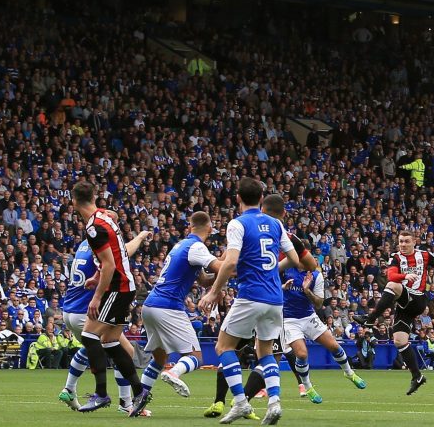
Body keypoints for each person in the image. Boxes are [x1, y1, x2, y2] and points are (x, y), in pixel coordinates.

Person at [197, 177, 301, 425]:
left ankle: (241, 403)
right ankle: (274, 402)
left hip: (251, 295)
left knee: (223, 347)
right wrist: (271, 271)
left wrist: (213, 291)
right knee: (265, 351)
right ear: (262, 199)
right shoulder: (276, 224)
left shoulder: (237, 223)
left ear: (238, 199)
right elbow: (294, 259)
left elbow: (231, 261)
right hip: (275, 298)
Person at [134, 211, 222, 414]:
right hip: (168, 306)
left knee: (158, 358)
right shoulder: (197, 247)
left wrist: (223, 266)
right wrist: (233, 263)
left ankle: (138, 402)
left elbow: (203, 280)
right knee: (196, 357)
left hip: (150, 306)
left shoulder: (180, 245)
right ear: (209, 228)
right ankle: (174, 373)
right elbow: (220, 268)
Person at [71, 181, 147, 414]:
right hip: (125, 286)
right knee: (111, 342)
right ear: (94, 197)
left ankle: (102, 394)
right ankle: (139, 390)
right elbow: (111, 256)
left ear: (73, 202)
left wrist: (96, 296)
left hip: (117, 288)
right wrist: (96, 276)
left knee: (89, 335)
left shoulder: (93, 228)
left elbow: (109, 264)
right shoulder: (104, 216)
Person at [57, 227, 151, 414]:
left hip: (72, 309)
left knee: (100, 346)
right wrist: (140, 237)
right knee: (118, 347)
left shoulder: (85, 245)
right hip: (89, 307)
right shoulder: (102, 244)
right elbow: (117, 258)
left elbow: (114, 258)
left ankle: (72, 388)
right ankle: (125, 401)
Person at [352, 229, 434, 395]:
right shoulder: (396, 257)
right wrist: (405, 275)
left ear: (414, 242)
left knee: (392, 287)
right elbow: (392, 275)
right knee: (399, 341)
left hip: (418, 300)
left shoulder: (424, 255)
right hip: (404, 305)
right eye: (401, 241)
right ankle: (417, 376)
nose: (403, 244)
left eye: (406, 241)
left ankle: (370, 318)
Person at [279, 261, 367, 404]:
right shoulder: (285, 269)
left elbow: (319, 304)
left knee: (334, 345)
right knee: (301, 354)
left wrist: (307, 291)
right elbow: (269, 285)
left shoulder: (316, 275)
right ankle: (308, 387)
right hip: (288, 320)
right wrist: (283, 287)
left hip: (309, 317)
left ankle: (349, 373)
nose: (311, 260)